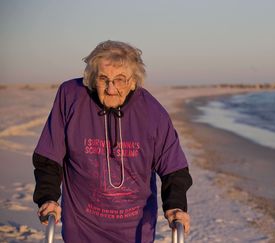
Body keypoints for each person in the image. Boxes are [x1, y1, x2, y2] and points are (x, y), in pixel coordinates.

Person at [32, 40, 193, 242]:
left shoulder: (152, 113)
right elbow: (49, 155)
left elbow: (174, 168)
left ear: (134, 81)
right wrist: (48, 197)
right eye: (103, 79)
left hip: (135, 231)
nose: (111, 88)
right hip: (82, 228)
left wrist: (175, 206)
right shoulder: (71, 97)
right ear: (92, 78)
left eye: (120, 79)